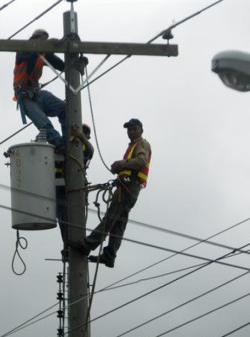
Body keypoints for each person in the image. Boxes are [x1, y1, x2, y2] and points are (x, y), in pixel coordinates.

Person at [69, 118, 152, 268]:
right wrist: (119, 172)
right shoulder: (133, 146)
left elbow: (142, 161)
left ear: (141, 130)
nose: (131, 131)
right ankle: (109, 255)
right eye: (129, 129)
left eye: (134, 128)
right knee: (118, 224)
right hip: (128, 186)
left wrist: (121, 164)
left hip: (129, 186)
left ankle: (88, 245)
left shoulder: (142, 144)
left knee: (111, 218)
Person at [13, 29, 66, 151]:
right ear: (35, 39)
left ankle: (68, 140)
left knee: (64, 108)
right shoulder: (23, 49)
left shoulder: (43, 53)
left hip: (38, 94)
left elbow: (62, 65)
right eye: (43, 40)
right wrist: (47, 47)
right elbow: (30, 55)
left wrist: (75, 63)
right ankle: (59, 143)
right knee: (44, 124)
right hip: (25, 97)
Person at [56, 124, 94, 252]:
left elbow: (91, 151)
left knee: (76, 217)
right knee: (63, 217)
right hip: (60, 184)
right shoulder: (65, 142)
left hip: (77, 185)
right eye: (82, 130)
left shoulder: (84, 145)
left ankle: (75, 244)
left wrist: (82, 137)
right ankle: (67, 246)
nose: (83, 133)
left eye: (86, 132)